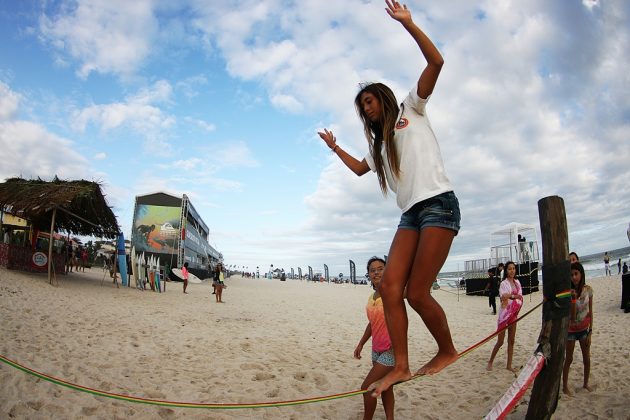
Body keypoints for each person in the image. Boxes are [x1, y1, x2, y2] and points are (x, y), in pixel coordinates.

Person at [318, 0, 461, 396]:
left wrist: (409, 24)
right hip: (410, 216)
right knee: (391, 289)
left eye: (369, 101)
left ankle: (446, 349)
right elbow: (360, 168)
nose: (366, 109)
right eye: (362, 107)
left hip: (438, 204)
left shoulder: (411, 109)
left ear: (382, 97)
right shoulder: (380, 146)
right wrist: (335, 149)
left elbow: (437, 64)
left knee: (417, 292)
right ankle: (400, 364)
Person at [354, 257, 395, 419]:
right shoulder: (372, 296)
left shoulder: (393, 291)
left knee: (367, 387)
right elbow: (372, 324)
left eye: (380, 268)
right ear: (369, 275)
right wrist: (361, 344)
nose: (376, 272)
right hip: (376, 350)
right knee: (386, 387)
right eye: (372, 270)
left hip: (392, 350)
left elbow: (414, 292)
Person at [562, 262, 593, 395]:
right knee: (569, 359)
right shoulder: (568, 293)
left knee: (586, 358)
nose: (574, 277)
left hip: (584, 329)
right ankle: (564, 386)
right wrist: (573, 299)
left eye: (576, 274)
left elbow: (591, 312)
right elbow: (573, 317)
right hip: (571, 330)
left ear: (581, 274)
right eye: (571, 275)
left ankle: (585, 383)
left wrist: (590, 331)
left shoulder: (588, 290)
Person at [487, 261, 523, 372]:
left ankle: (509, 365)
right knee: (500, 341)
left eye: (513, 268)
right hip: (504, 315)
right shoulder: (503, 283)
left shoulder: (517, 282)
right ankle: (490, 361)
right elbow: (503, 297)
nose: (512, 270)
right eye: (509, 269)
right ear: (506, 271)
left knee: (511, 340)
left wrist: (511, 296)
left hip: (514, 314)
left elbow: (520, 297)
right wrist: (513, 296)